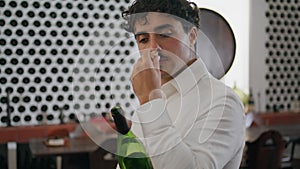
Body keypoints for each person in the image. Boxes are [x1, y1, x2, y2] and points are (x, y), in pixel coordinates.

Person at [116, 0, 246, 168]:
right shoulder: (150, 99)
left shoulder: (224, 102)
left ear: (192, 36)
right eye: (143, 39)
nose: (153, 47)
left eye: (165, 34)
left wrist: (151, 102)